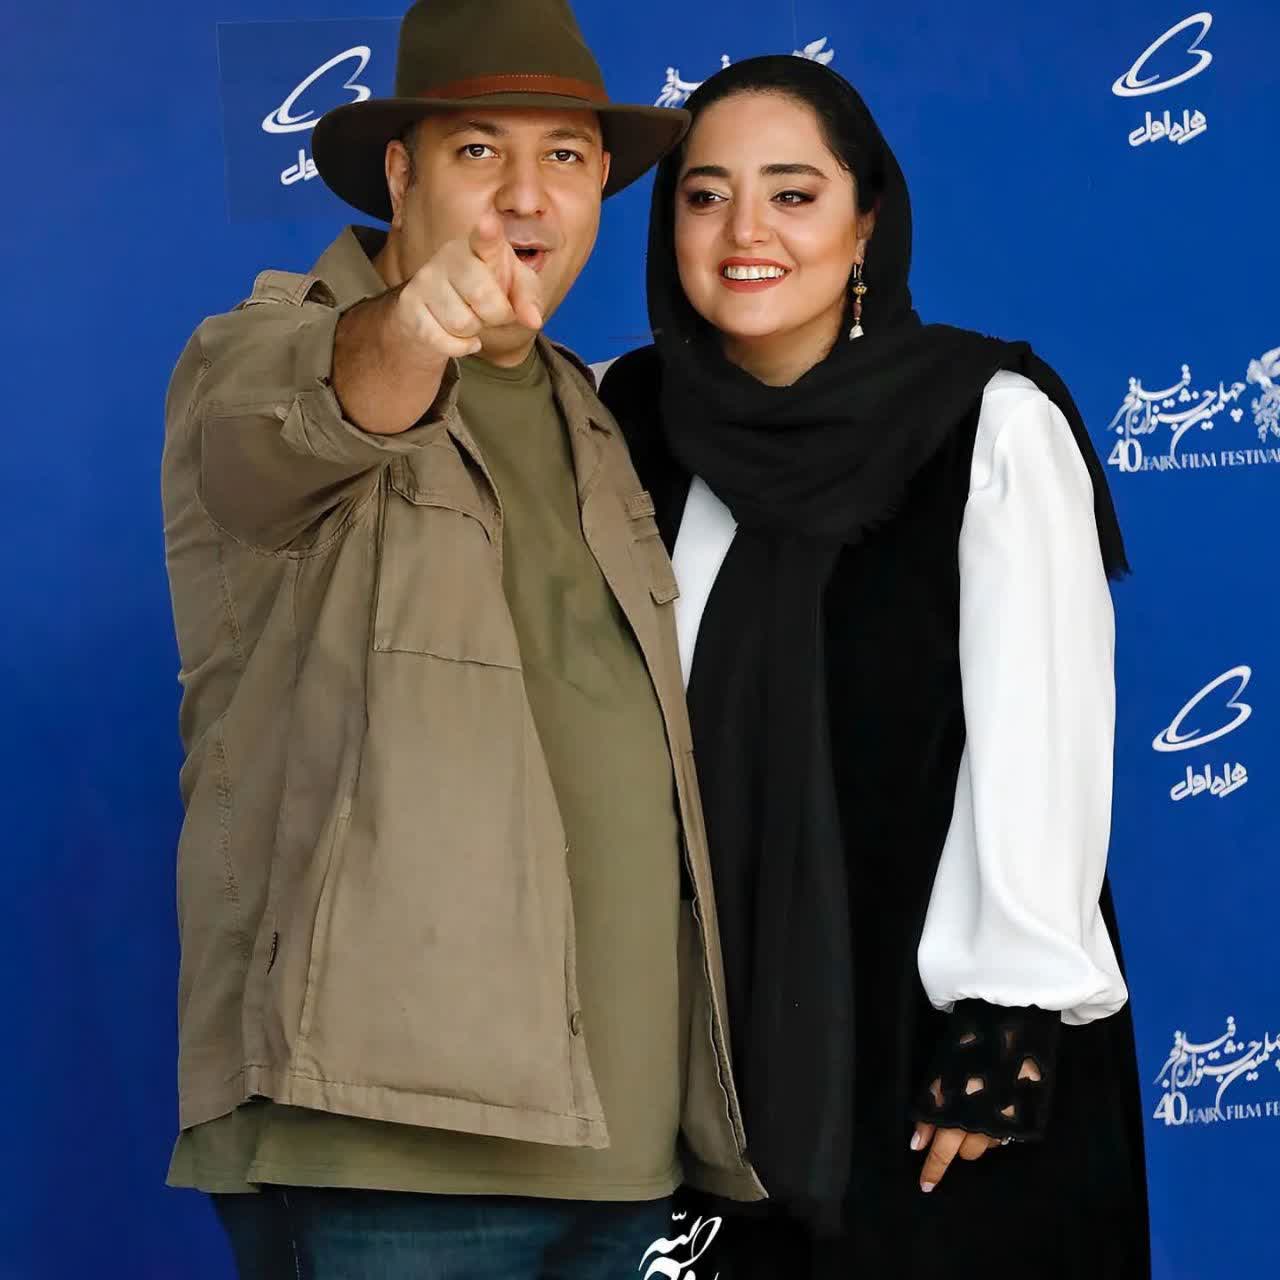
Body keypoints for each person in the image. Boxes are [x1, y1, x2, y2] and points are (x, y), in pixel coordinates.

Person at [160, 1, 764, 1274]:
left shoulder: (591, 409)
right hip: (387, 1149)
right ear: (401, 174)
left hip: (624, 1146)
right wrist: (414, 329)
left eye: (565, 155)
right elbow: (308, 420)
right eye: (479, 150)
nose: (525, 195)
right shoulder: (261, 352)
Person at [599, 55, 1150, 1279]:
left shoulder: (982, 420)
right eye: (704, 195)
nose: (744, 231)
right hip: (694, 1040)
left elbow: (1039, 739)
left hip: (925, 1039)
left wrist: (1000, 1026)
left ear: (864, 226)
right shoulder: (625, 418)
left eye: (792, 194)